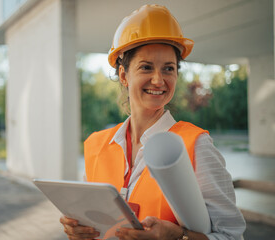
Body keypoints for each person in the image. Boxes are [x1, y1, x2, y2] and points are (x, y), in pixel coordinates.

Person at [60, 4, 246, 240]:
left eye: (168, 68)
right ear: (124, 75)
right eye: (146, 67)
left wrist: (180, 237)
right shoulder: (96, 146)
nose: (158, 80)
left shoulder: (196, 145)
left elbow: (232, 236)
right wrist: (80, 232)